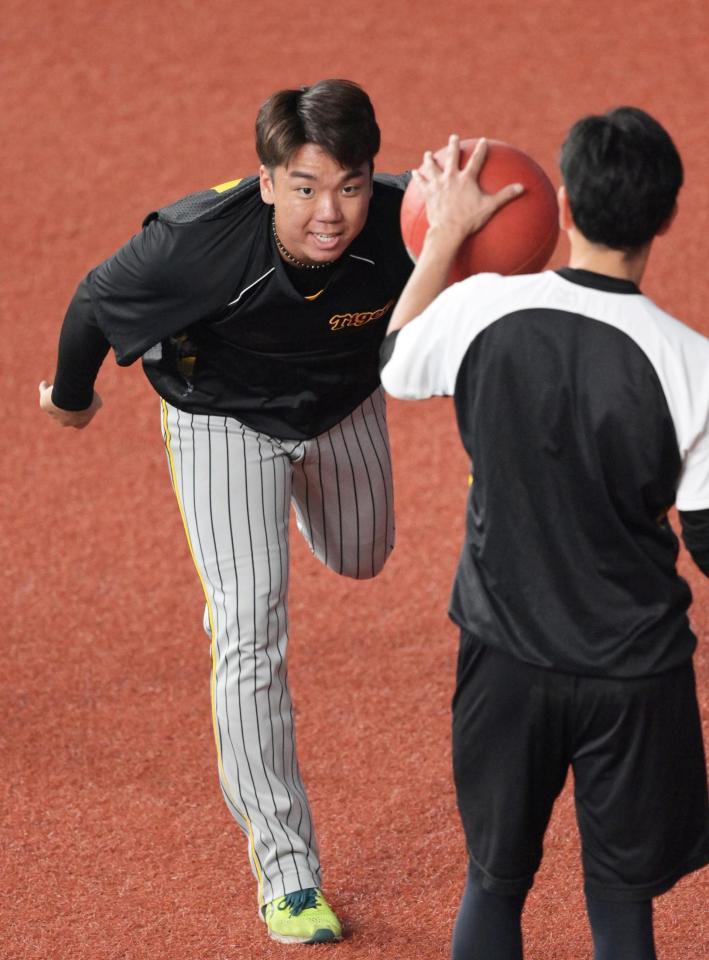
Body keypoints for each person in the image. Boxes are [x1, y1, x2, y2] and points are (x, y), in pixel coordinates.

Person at [39, 78, 415, 945]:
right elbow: (97, 300)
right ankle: (288, 875)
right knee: (249, 622)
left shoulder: (403, 223)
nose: (332, 213)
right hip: (222, 419)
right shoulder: (194, 246)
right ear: (268, 179)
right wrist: (70, 396)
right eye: (308, 187)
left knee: (364, 556)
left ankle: (261, 547)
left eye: (351, 186)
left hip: (340, 407)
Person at [379, 111, 709, 960]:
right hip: (635, 677)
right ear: (667, 216)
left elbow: (392, 360)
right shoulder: (694, 365)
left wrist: (444, 237)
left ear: (564, 204)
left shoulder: (482, 308)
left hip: (505, 661)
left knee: (493, 882)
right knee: (621, 907)